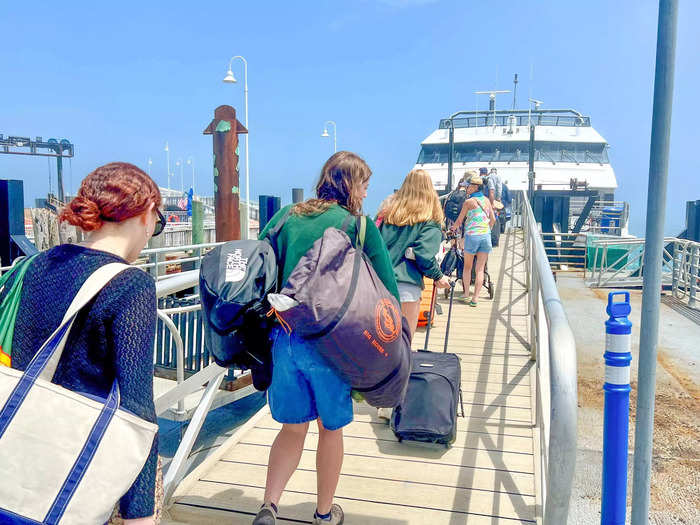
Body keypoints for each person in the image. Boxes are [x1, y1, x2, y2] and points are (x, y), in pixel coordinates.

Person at [2, 162, 164, 524]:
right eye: (158, 220)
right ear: (145, 214)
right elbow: (137, 407)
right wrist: (140, 513)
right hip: (74, 466)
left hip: (15, 454)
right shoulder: (131, 285)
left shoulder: (32, 265)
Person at [254, 151, 400, 525]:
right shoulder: (358, 226)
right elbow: (388, 295)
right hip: (332, 348)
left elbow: (261, 265)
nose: (366, 193)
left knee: (292, 429)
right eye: (364, 185)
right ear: (351, 185)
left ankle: (269, 506)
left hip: (284, 339)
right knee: (329, 431)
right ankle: (323, 514)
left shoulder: (286, 216)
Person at [378, 169, 451, 338]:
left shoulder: (387, 216)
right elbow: (423, 255)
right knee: (403, 342)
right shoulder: (429, 222)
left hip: (379, 284)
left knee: (380, 344)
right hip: (406, 287)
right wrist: (438, 276)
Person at [451, 172, 496, 306]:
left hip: (472, 236)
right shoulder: (487, 200)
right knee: (480, 269)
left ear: (475, 187)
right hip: (485, 236)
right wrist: (487, 230)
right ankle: (475, 298)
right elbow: (492, 219)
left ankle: (465, 295)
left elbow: (459, 221)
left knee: (467, 267)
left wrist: (452, 229)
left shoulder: (468, 202)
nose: (466, 188)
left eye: (468, 186)